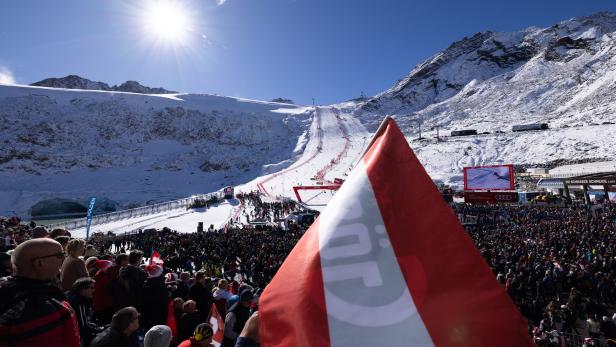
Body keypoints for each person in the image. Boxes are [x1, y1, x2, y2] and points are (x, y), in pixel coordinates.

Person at [0, 238, 81, 347]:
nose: (63, 259)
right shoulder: (40, 307)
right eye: (60, 255)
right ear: (39, 263)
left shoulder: (6, 288)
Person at [67, 276, 103, 347]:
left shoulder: (75, 298)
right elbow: (83, 326)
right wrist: (99, 330)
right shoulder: (79, 302)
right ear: (83, 290)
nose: (94, 290)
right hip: (80, 338)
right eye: (91, 288)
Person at [141, 264, 168, 331]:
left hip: (147, 314)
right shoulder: (160, 284)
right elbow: (164, 300)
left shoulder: (145, 283)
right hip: (158, 314)